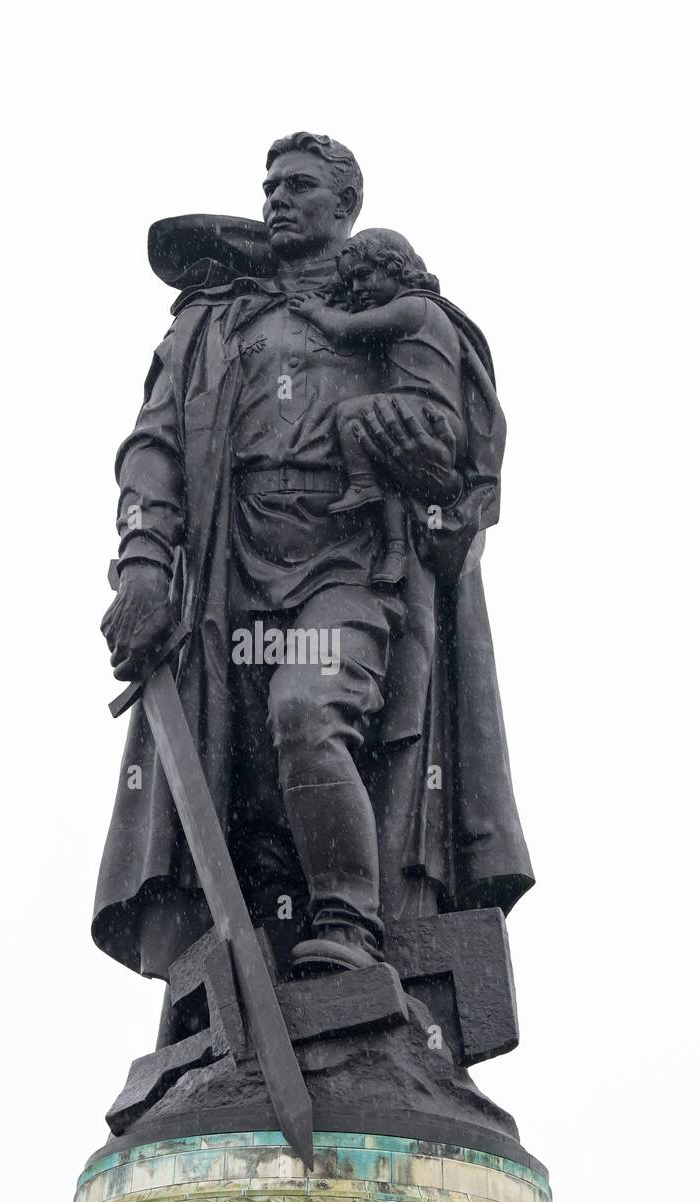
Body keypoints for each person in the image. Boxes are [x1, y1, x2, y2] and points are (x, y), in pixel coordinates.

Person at [96, 133, 533, 1008]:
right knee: (243, 787)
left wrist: (430, 468)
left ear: (345, 206)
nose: (276, 199)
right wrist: (144, 560)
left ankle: (349, 928)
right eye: (268, 186)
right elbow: (155, 450)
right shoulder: (210, 321)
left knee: (307, 707)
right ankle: (257, 973)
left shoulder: (399, 310)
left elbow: (455, 461)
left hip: (351, 563)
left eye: (298, 186)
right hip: (229, 571)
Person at [289, 226, 455, 590]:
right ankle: (395, 551)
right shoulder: (418, 310)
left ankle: (362, 484)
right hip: (423, 413)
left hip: (424, 411)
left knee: (350, 414)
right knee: (389, 469)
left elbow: (348, 329)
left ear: (395, 267)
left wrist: (317, 310)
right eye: (350, 283)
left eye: (364, 276)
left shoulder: (413, 307)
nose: (356, 289)